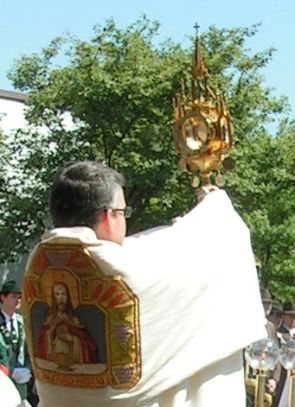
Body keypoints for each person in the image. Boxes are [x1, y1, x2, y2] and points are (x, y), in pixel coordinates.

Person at [23, 161, 267, 406]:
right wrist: (214, 206)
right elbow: (216, 245)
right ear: (110, 216)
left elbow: (140, 246)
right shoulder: (127, 270)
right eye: (123, 212)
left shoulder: (38, 264)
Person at [37, 282, 98, 367]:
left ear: (68, 297)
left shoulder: (74, 320)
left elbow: (88, 343)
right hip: (54, 362)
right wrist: (52, 332)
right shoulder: (49, 320)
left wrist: (72, 339)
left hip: (73, 361)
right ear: (53, 298)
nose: (61, 298)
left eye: (64, 294)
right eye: (57, 294)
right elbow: (42, 343)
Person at [0, 280, 31, 402]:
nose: (18, 300)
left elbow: (29, 351)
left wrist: (28, 369)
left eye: (20, 297)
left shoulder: (22, 322)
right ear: (3, 297)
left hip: (21, 386)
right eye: (14, 296)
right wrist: (11, 372)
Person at [273, 303, 295, 407]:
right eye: (290, 315)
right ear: (283, 316)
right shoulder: (277, 333)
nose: (293, 319)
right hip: (282, 375)